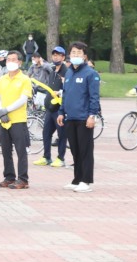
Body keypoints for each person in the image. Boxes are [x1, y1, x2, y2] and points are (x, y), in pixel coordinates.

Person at [58, 42, 101, 192]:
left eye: (79, 53)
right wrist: (61, 112)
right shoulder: (69, 73)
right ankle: (77, 179)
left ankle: (86, 180)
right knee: (75, 150)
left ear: (84, 56)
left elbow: (94, 97)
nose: (75, 55)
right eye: (73, 52)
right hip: (71, 117)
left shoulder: (90, 74)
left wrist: (92, 115)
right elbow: (65, 95)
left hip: (84, 118)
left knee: (85, 150)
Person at [0, 50, 33, 190]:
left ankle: (23, 179)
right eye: (8, 59)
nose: (10, 62)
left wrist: (7, 110)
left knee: (21, 150)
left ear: (20, 62)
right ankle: (9, 176)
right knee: (5, 150)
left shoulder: (24, 79)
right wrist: (0, 111)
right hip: (4, 120)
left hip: (17, 120)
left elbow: (23, 99)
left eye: (14, 59)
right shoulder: (3, 78)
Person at [35, 46, 69, 167]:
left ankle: (61, 158)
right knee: (46, 133)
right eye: (54, 54)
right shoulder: (53, 70)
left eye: (58, 55)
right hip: (49, 108)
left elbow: (68, 90)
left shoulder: (67, 72)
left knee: (62, 134)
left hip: (59, 108)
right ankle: (46, 157)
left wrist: (60, 93)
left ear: (63, 57)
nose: (56, 56)